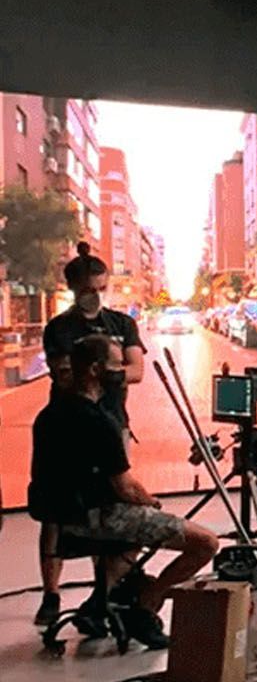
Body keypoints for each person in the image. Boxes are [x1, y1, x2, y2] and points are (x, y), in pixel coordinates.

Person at [30, 335, 218, 649]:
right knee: (206, 544)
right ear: (94, 369)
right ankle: (147, 605)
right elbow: (125, 487)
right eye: (116, 365)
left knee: (130, 537)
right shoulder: (100, 422)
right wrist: (152, 503)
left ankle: (99, 604)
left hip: (63, 517)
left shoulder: (48, 415)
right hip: (100, 516)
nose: (122, 372)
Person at [32, 243, 146, 628]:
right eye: (87, 289)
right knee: (55, 512)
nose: (94, 296)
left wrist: (100, 370)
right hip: (66, 426)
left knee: (111, 508)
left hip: (113, 422)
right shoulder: (59, 327)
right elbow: (65, 374)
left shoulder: (122, 324)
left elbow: (137, 370)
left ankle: (105, 593)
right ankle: (51, 594)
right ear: (73, 289)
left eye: (100, 288)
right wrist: (111, 368)